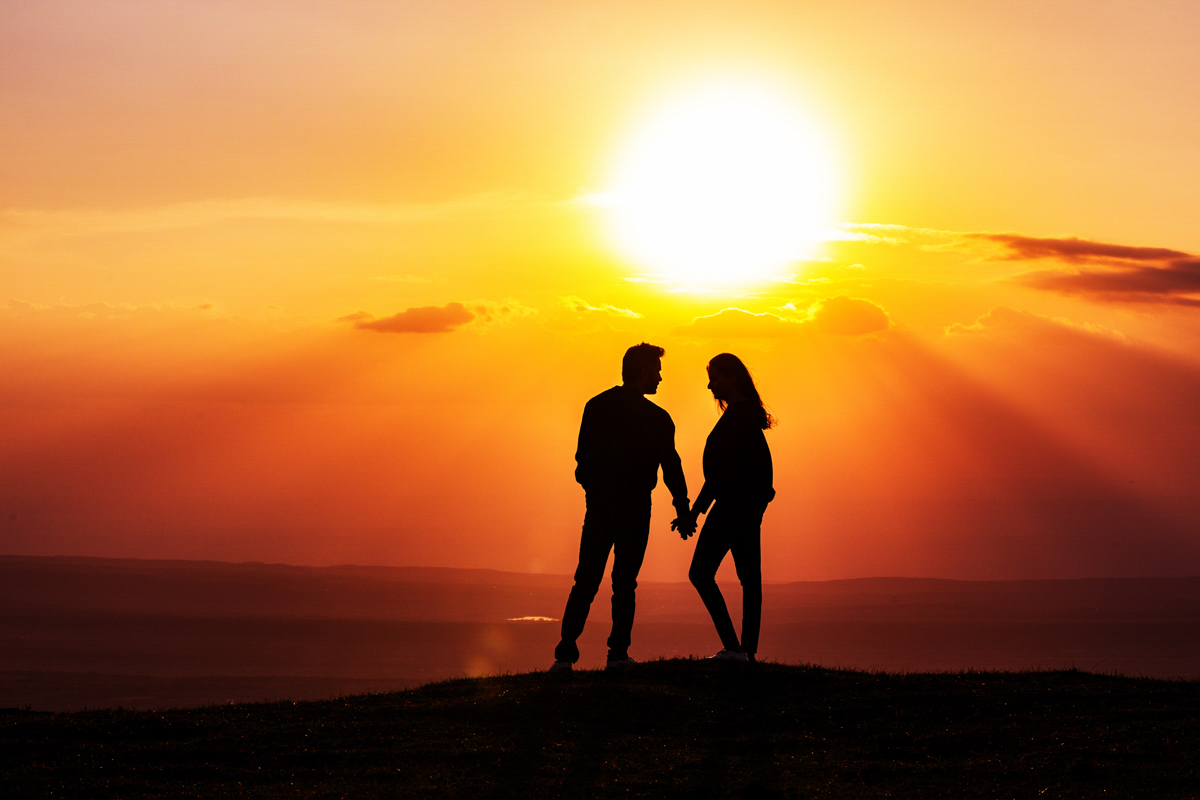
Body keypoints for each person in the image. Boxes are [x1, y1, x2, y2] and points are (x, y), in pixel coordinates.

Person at [550, 343, 691, 672]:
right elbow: (671, 466)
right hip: (636, 507)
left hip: (600, 505)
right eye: (656, 371)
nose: (660, 377)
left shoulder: (597, 406)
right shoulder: (658, 419)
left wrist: (595, 490)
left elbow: (582, 462)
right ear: (643, 373)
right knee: (624, 583)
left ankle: (565, 653)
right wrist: (682, 508)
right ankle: (617, 655)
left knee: (586, 579)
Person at [676, 353, 775, 663]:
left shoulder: (739, 417)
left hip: (733, 506)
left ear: (732, 378)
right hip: (744, 506)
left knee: (701, 573)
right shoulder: (743, 415)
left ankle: (735, 649)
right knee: (749, 579)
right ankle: (746, 652)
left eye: (715, 378)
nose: (710, 385)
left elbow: (721, 471)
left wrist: (695, 511)